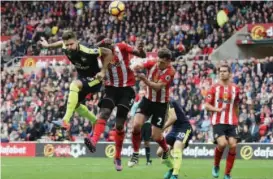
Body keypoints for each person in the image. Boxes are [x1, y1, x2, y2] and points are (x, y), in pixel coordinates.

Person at [83, 36, 146, 171]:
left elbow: (140, 54)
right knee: (104, 112)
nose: (110, 49)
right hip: (111, 89)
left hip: (126, 90)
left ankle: (117, 157)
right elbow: (87, 52)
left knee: (119, 125)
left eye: (111, 46)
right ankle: (93, 140)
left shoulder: (122, 47)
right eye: (106, 47)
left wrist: (141, 49)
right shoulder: (99, 53)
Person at [39, 30, 113, 133]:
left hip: (95, 78)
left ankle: (65, 121)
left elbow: (108, 52)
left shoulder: (87, 50)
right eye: (67, 45)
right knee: (76, 105)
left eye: (71, 44)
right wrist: (48, 46)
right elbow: (61, 43)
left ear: (77, 42)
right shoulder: (65, 46)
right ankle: (95, 122)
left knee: (74, 85)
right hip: (82, 78)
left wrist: (103, 71)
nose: (69, 47)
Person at [127, 48, 175, 168]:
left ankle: (165, 150)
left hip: (161, 104)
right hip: (147, 100)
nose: (159, 64)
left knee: (156, 136)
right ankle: (135, 154)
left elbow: (157, 87)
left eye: (162, 63)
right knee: (136, 125)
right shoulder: (153, 62)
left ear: (168, 61)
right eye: (158, 61)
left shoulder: (170, 72)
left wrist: (144, 79)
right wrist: (135, 67)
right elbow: (139, 64)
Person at [204, 64, 240, 179]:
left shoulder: (235, 88)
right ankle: (216, 165)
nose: (222, 73)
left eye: (224, 71)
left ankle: (227, 174)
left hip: (231, 121)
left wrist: (236, 119)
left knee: (233, 145)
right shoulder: (214, 88)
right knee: (222, 143)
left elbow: (236, 105)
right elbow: (206, 105)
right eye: (220, 71)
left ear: (229, 73)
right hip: (218, 121)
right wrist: (217, 109)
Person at [157, 98, 193, 179]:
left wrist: (162, 128)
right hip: (174, 129)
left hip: (184, 127)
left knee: (177, 148)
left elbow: (173, 118)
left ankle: (175, 175)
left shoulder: (169, 101)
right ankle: (172, 168)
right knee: (160, 152)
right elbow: (169, 119)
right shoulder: (159, 104)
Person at [130, 83, 152, 165]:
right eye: (141, 94)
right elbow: (132, 115)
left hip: (147, 124)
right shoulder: (135, 105)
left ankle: (148, 160)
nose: (142, 95)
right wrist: (132, 125)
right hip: (139, 125)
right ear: (139, 95)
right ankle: (135, 159)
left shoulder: (148, 104)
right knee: (137, 142)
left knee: (147, 142)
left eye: (144, 94)